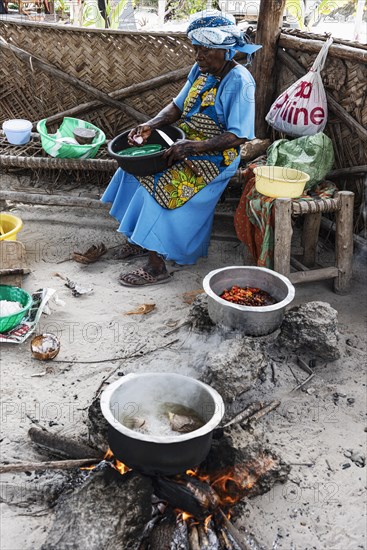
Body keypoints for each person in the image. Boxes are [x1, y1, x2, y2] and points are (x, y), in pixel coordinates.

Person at [101, 9, 261, 287]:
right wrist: (151, 124)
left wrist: (194, 147)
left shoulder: (240, 81)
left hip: (217, 155)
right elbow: (177, 106)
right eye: (195, 49)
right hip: (183, 141)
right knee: (132, 169)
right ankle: (140, 240)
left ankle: (156, 265)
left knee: (159, 185)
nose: (197, 56)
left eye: (204, 50)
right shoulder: (200, 70)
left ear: (224, 50)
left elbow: (239, 136)